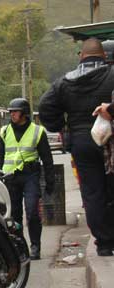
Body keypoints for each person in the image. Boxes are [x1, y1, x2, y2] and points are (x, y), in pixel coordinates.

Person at [39, 38, 114, 256]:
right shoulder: (111, 74)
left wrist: (62, 127)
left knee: (92, 192)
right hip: (109, 141)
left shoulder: (64, 82)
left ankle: (104, 243)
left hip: (81, 141)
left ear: (81, 56)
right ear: (103, 56)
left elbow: (45, 108)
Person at [0, 98, 54, 260]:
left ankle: (35, 246)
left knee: (32, 212)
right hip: (10, 178)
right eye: (11, 112)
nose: (12, 114)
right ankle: (20, 247)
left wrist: (50, 182)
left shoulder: (37, 131)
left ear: (24, 113)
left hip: (30, 176)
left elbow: (47, 158)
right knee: (14, 216)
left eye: (15, 111)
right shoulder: (4, 131)